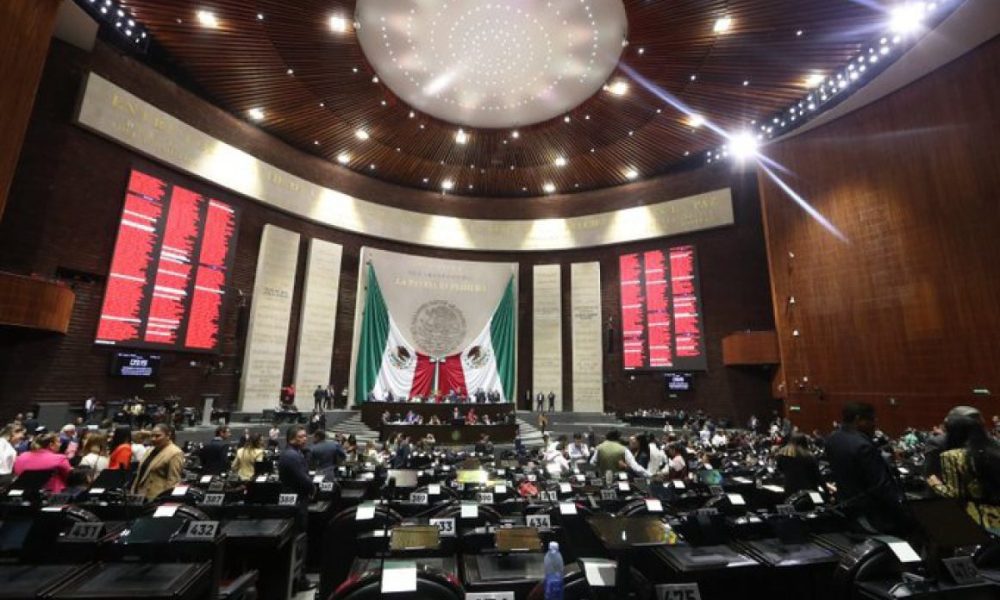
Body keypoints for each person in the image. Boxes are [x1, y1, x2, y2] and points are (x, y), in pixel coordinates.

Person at [825, 402, 906, 534]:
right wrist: (901, 509)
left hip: (847, 508)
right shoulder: (862, 445)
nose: (874, 424)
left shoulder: (832, 439)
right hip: (871, 515)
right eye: (872, 420)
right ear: (858, 419)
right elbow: (880, 485)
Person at [927, 407, 1000, 532]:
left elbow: (954, 495)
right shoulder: (995, 451)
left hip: (975, 520)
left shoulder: (952, 456)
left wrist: (934, 483)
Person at [277, 425, 317, 592]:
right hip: (297, 502)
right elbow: (302, 478)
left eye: (305, 436)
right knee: (299, 540)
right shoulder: (292, 456)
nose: (305, 439)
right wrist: (313, 488)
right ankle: (300, 580)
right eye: (301, 436)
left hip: (294, 499)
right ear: (292, 438)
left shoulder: (293, 453)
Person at [131, 424, 184, 500]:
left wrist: (165, 500)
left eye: (157, 436)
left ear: (168, 436)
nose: (153, 439)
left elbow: (173, 481)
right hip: (139, 495)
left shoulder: (175, 453)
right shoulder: (150, 450)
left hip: (156, 498)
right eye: (151, 436)